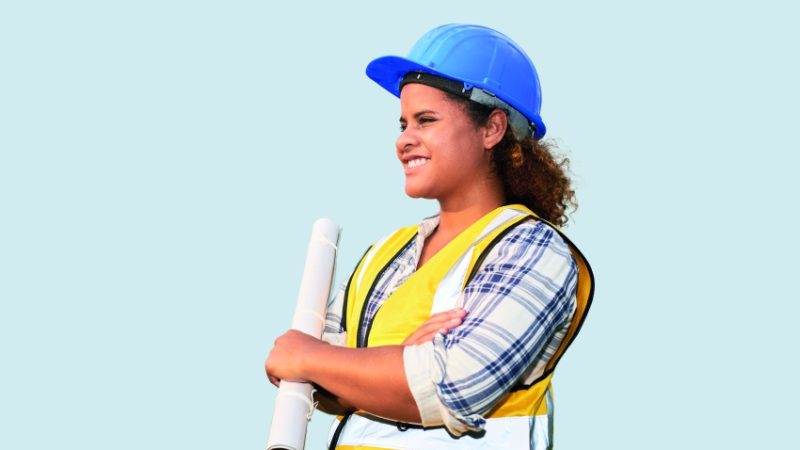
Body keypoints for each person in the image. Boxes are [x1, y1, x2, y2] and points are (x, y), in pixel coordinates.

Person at [265, 23, 594, 450]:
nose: (404, 140)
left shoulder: (531, 248)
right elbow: (300, 377)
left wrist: (330, 362)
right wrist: (399, 361)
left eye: (426, 120)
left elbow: (454, 386)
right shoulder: (385, 254)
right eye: (402, 123)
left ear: (492, 129)